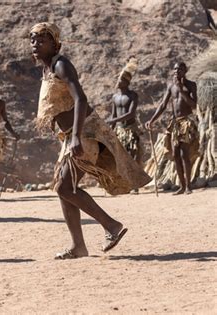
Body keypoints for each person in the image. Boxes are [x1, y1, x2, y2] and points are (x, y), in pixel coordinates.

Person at [29, 22, 151, 259]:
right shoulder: (46, 70)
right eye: (32, 40)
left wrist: (75, 136)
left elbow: (81, 100)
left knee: (64, 187)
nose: (35, 44)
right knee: (64, 189)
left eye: (41, 40)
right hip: (70, 136)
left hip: (85, 133)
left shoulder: (61, 65)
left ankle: (111, 226)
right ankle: (78, 246)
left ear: (54, 43)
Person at [145, 62, 198, 195]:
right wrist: (151, 120)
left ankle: (188, 187)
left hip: (186, 122)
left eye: (179, 69)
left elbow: (193, 104)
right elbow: (163, 105)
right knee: (175, 154)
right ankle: (182, 185)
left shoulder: (191, 85)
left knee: (184, 154)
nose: (176, 71)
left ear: (185, 70)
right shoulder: (170, 86)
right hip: (174, 123)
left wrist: (181, 90)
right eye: (174, 69)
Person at [106, 57, 142, 193]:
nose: (118, 82)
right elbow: (114, 115)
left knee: (132, 157)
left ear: (126, 82)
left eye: (121, 79)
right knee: (121, 158)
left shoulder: (133, 96)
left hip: (130, 130)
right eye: (118, 79)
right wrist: (111, 128)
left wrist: (113, 121)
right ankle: (124, 183)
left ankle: (135, 185)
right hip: (120, 130)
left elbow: (131, 114)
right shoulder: (115, 97)